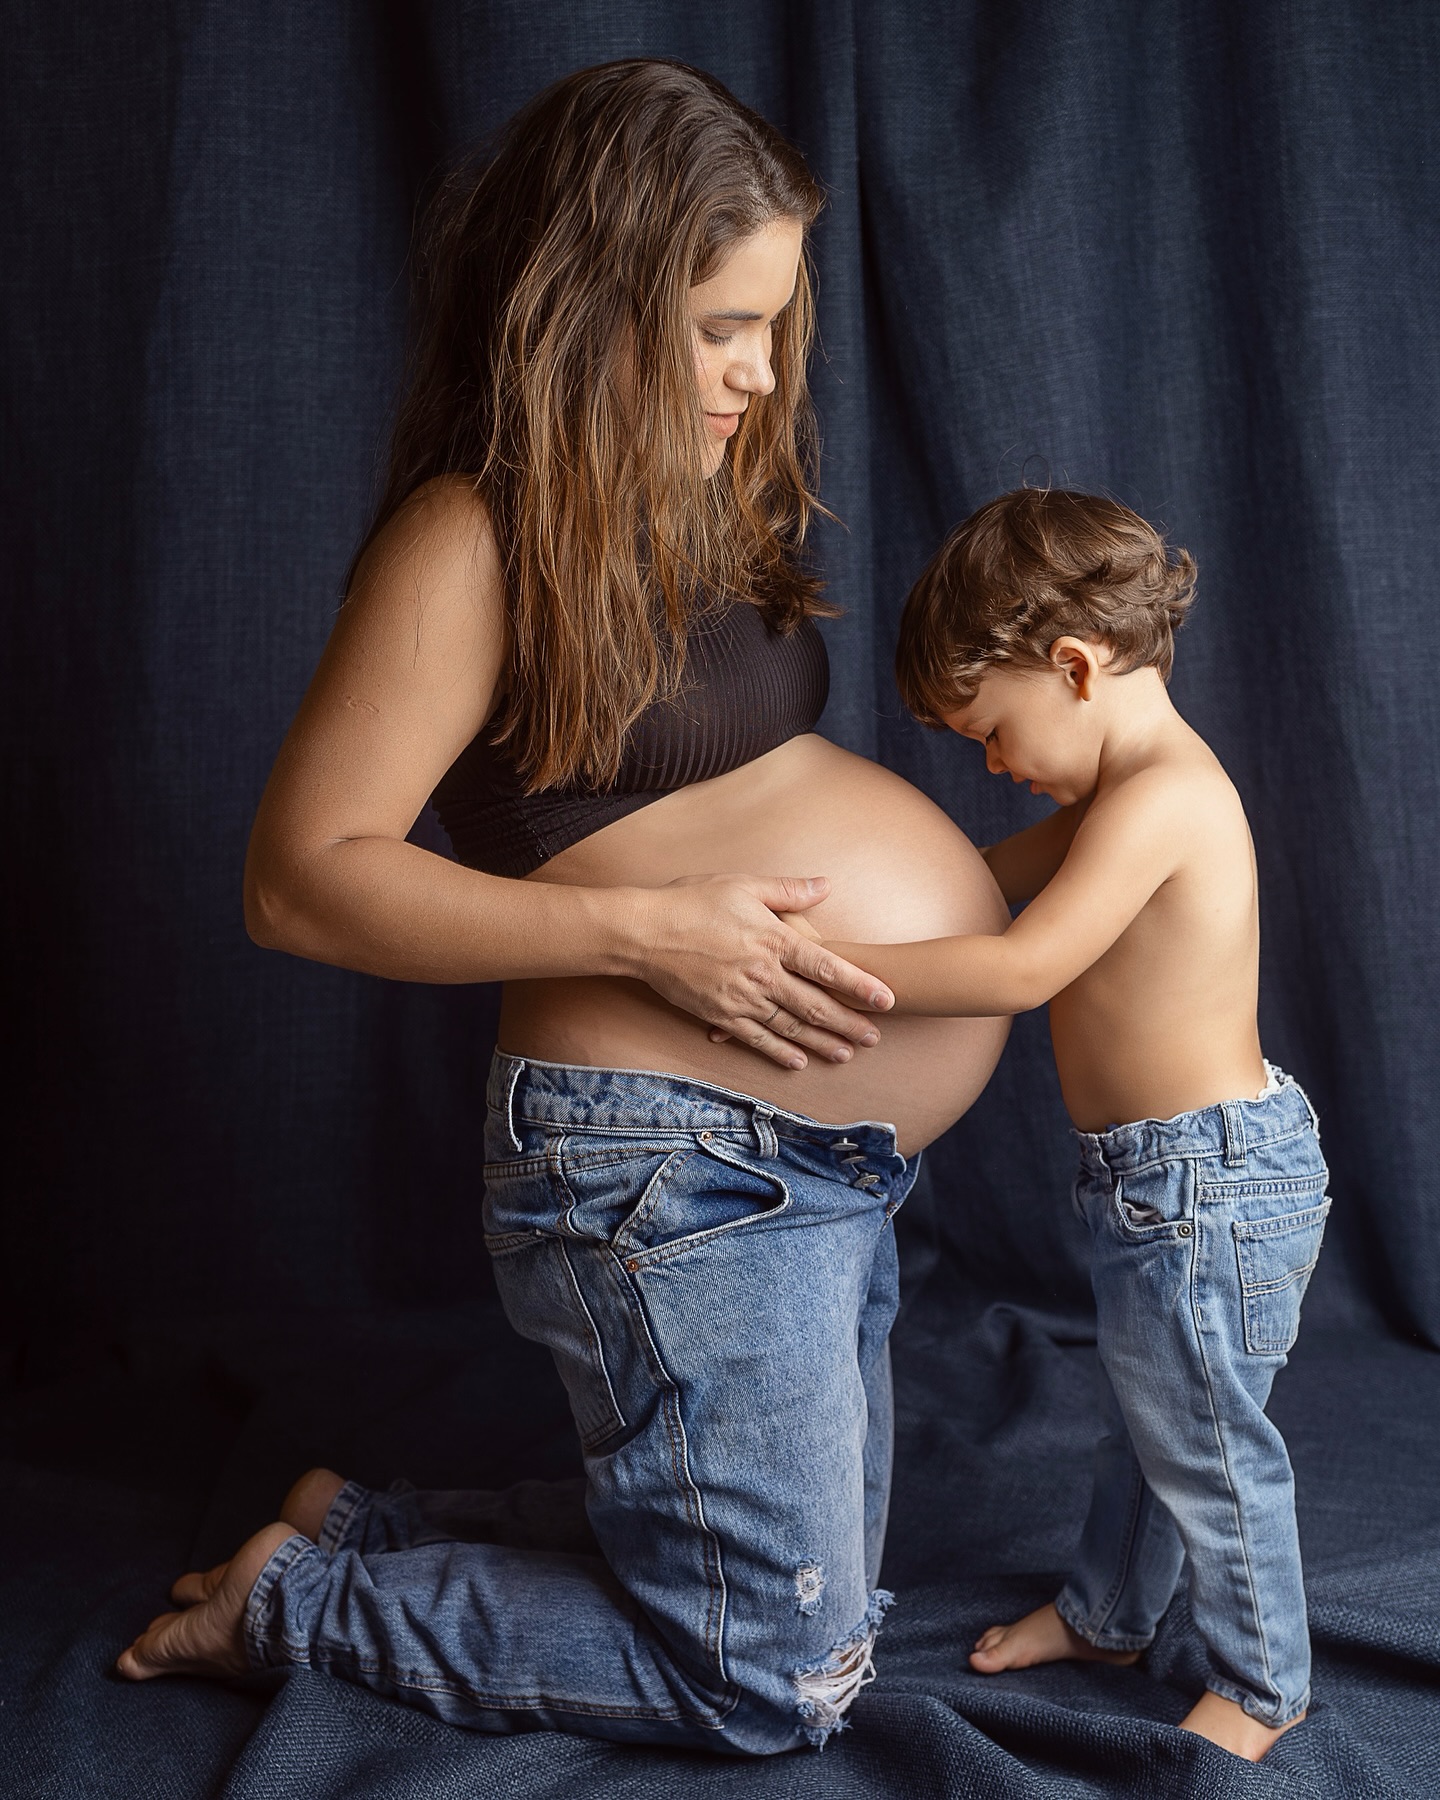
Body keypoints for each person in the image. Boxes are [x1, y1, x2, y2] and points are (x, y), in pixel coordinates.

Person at [114, 61, 1011, 1753]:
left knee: (827, 1589)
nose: (760, 373)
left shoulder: (684, 487)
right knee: (776, 1677)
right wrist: (649, 934)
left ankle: (350, 1524)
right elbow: (300, 880)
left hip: (819, 1167)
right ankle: (295, 1603)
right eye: (721, 327)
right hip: (673, 1166)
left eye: (776, 327)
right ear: (594, 302)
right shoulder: (471, 538)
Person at [802, 488, 1331, 1761]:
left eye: (991, 734)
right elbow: (974, 891)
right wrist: (843, 886)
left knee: (1208, 1446)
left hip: (1212, 1185)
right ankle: (1108, 1616)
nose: (994, 768)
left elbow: (1016, 964)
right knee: (1157, 1422)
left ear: (1076, 667)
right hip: (1167, 1184)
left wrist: (824, 960)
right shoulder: (1116, 797)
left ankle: (1266, 1685)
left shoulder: (1162, 800)